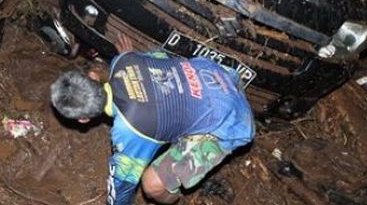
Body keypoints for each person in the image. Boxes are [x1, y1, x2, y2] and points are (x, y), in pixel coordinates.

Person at [50, 34, 255, 205]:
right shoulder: (123, 61)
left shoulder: (130, 130)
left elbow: (122, 184)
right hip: (220, 75)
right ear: (94, 76)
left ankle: (177, 197)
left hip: (233, 121)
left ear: (83, 119)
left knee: (152, 185)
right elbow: (160, 57)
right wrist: (131, 57)